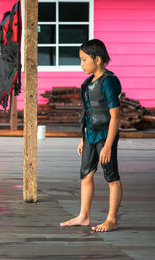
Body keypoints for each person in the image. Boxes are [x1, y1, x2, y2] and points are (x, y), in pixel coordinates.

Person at [60, 39, 122, 232]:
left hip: (106, 136)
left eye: (84, 60)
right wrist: (82, 137)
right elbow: (88, 113)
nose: (81, 65)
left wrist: (108, 145)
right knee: (85, 175)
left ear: (97, 59)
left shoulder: (108, 81)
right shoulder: (87, 83)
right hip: (90, 135)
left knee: (111, 177)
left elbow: (115, 115)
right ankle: (83, 216)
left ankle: (111, 219)